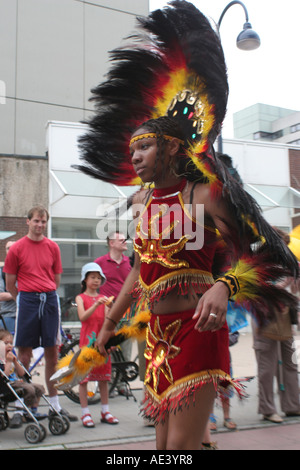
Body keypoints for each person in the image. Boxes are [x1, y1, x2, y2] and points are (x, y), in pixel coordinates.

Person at [74, 2, 299, 449]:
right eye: (133, 149)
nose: (134, 157)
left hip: (198, 334)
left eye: (145, 147)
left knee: (178, 451)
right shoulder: (143, 203)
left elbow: (264, 255)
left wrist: (225, 286)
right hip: (156, 340)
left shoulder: (207, 194)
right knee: (163, 451)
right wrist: (109, 325)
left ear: (174, 149)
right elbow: (141, 269)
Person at [3, 204, 77, 422]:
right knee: (23, 354)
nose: (40, 225)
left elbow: (56, 279)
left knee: (52, 353)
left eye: (43, 221)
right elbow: (10, 283)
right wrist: (25, 300)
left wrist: (45, 293)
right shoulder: (16, 248)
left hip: (50, 299)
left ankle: (55, 405)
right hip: (27, 299)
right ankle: (20, 407)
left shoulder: (53, 247)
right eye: (36, 221)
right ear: (28, 222)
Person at [252, 228, 300, 423]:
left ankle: (293, 405)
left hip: (286, 316)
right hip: (265, 316)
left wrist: (294, 282)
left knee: (290, 362)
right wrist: (278, 287)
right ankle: (267, 409)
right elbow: (251, 290)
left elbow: (295, 290)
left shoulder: (290, 264)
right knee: (267, 365)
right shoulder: (256, 263)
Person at [76, 262, 119, 427]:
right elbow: (82, 317)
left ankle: (105, 411)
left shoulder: (105, 299)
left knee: (103, 378)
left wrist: (111, 306)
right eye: (92, 277)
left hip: (102, 344)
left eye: (98, 278)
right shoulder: (80, 298)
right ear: (85, 280)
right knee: (83, 379)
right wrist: (95, 305)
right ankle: (85, 413)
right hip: (86, 344)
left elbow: (109, 321)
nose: (96, 280)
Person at [94, 231, 132, 396]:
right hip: (108, 310)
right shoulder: (100, 263)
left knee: (125, 345)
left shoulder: (130, 263)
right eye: (121, 239)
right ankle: (108, 381)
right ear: (111, 243)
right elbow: (91, 285)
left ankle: (122, 382)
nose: (125, 241)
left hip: (127, 309)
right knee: (108, 345)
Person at [0, 329, 47, 428]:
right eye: (5, 343)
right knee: (29, 389)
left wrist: (15, 362)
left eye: (11, 343)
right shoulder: (2, 360)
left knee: (40, 388)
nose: (9, 346)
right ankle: (26, 412)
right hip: (6, 386)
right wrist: (8, 362)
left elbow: (22, 374)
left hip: (17, 383)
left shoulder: (11, 357)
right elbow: (3, 377)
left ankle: (33, 410)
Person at [0, 241, 17, 334]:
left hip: (26, 316)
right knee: (8, 347)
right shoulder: (1, 272)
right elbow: (0, 296)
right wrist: (19, 293)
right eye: (8, 248)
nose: (10, 250)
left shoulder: (26, 269)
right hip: (8, 317)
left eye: (13, 247)